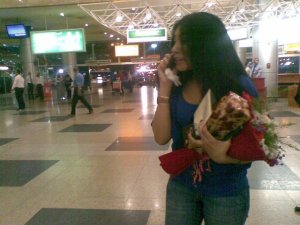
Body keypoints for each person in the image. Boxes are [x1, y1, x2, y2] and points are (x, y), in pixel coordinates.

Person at [152, 12, 258, 225]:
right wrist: (164, 86)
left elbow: (260, 146)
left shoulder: (239, 87)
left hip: (225, 190)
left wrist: (225, 156)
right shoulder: (177, 84)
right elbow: (161, 137)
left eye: (184, 41)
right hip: (181, 185)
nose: (174, 49)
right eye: (175, 41)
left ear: (206, 45)